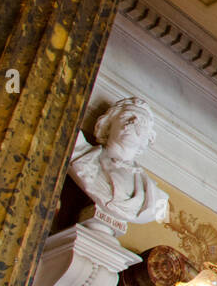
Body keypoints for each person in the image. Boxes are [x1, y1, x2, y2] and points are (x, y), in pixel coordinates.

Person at [68, 97, 169, 232]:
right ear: (107, 125)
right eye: (127, 116)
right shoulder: (79, 154)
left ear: (148, 137)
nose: (133, 122)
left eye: (142, 121)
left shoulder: (155, 198)